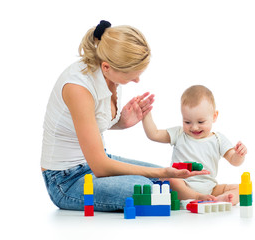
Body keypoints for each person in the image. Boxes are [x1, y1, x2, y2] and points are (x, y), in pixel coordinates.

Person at [41, 20, 208, 212]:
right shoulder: (78, 88)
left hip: (94, 164)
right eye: (131, 75)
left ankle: (205, 197)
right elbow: (101, 167)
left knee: (168, 180)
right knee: (147, 189)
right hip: (65, 180)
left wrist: (121, 122)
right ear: (106, 67)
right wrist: (160, 171)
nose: (137, 80)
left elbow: (83, 125)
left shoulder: (109, 74)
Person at [142, 85, 247, 205]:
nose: (194, 127)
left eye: (201, 122)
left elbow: (234, 161)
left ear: (214, 116)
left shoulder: (218, 139)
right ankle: (198, 197)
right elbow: (153, 134)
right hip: (183, 184)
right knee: (170, 180)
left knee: (241, 188)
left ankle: (218, 199)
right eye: (187, 122)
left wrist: (239, 154)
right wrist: (146, 114)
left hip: (210, 187)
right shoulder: (179, 134)